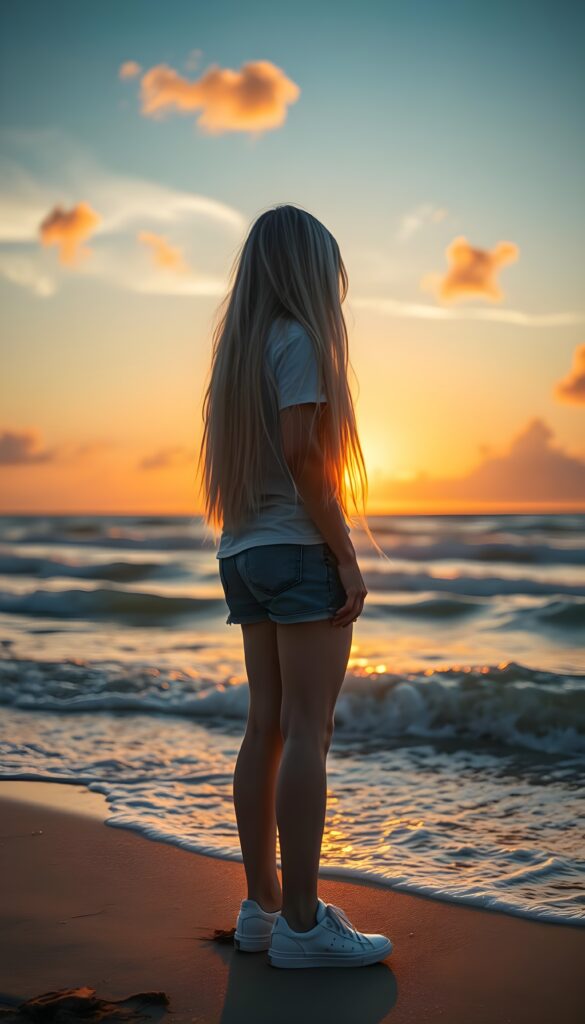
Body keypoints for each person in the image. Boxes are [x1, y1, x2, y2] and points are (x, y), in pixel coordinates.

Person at [196, 203, 393, 968]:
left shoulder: (235, 357)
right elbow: (306, 457)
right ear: (308, 273)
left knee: (266, 727)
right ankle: (305, 925)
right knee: (310, 728)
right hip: (297, 550)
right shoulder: (300, 339)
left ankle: (262, 908)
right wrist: (345, 554)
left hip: (241, 552)